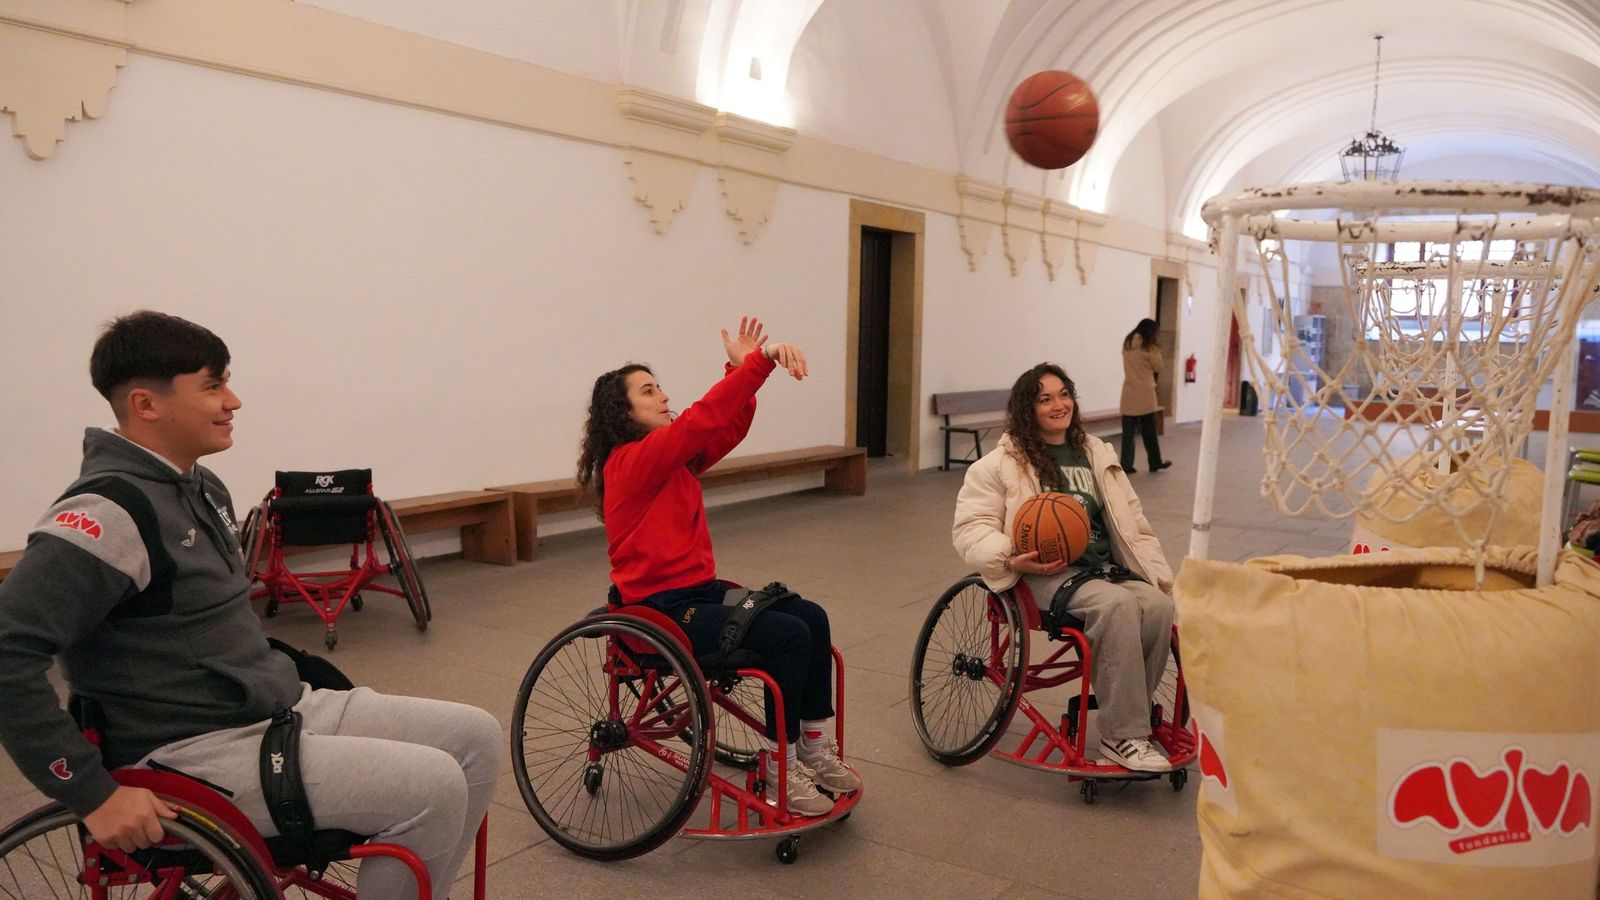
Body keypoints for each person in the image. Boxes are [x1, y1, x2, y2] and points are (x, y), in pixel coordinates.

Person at [0, 311, 500, 899]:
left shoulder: (203, 486)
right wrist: (93, 794)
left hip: (274, 707)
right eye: (212, 385)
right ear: (146, 403)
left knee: (476, 736)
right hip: (190, 746)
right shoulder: (108, 512)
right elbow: (8, 648)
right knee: (432, 786)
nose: (232, 400)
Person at [578, 317, 859, 817]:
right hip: (658, 611)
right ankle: (780, 764)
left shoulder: (670, 459)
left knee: (810, 616)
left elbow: (723, 427)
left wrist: (738, 370)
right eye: (649, 391)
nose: (663, 396)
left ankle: (812, 747)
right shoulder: (630, 461)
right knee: (788, 637)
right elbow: (699, 421)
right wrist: (759, 362)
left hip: (698, 594)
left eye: (660, 386)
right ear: (622, 412)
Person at [952, 362, 1177, 772]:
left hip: (1104, 569)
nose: (1059, 405)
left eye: (1064, 394)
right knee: (1117, 607)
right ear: (1027, 409)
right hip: (1041, 575)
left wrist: (1158, 575)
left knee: (1159, 607)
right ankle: (1122, 737)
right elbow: (971, 528)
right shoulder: (1000, 464)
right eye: (1045, 399)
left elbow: (1134, 522)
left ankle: (1133, 721)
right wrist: (1010, 556)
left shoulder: (1096, 452)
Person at [1119, 318, 1171, 473]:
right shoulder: (1150, 347)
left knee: (1128, 434)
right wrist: (1156, 349)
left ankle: (1126, 464)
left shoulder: (1127, 343)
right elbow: (1158, 366)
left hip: (1128, 393)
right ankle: (1155, 462)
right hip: (1146, 394)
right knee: (1150, 432)